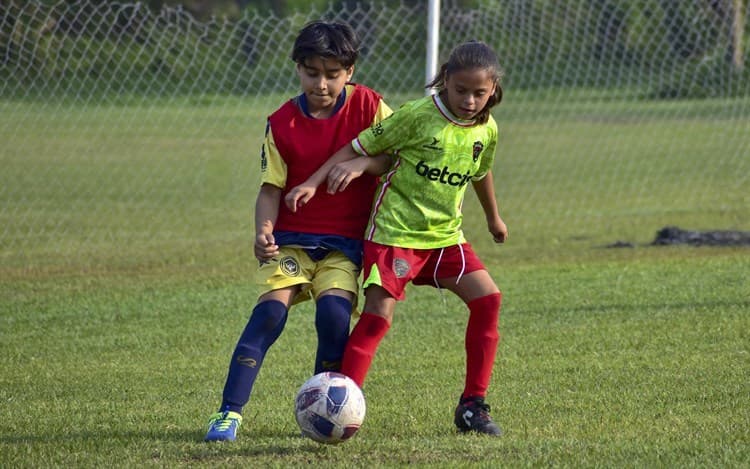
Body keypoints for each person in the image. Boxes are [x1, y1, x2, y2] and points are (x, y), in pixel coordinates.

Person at [285, 40, 508, 436]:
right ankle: (339, 404)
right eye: (461, 91)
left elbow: (481, 171)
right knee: (377, 318)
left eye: (479, 93)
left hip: (444, 237)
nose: (470, 100)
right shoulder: (417, 116)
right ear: (444, 82)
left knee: (488, 300)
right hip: (395, 235)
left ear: (493, 90)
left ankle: (473, 405)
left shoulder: (486, 128)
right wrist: (314, 181)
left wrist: (493, 217)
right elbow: (357, 146)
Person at [204, 20, 393, 442]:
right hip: (293, 241)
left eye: (332, 74)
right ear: (297, 69)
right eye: (311, 73)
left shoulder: (371, 108)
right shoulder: (283, 122)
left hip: (344, 245)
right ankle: (228, 413)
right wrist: (263, 230)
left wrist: (362, 163)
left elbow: (397, 157)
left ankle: (324, 405)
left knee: (333, 316)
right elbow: (270, 188)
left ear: (350, 71)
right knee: (269, 314)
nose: (321, 84)